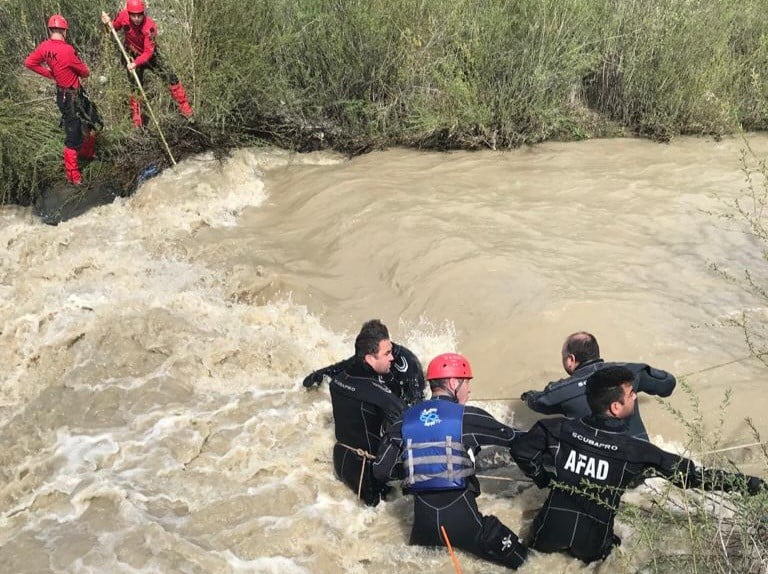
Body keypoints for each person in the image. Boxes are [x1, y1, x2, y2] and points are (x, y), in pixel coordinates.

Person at [511, 365, 766, 564]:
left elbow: (520, 451)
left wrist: (544, 478)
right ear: (615, 406)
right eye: (631, 394)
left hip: (544, 536)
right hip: (592, 546)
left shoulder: (554, 428)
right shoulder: (636, 450)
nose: (635, 396)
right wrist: (752, 484)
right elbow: (693, 477)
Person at [373, 353, 528, 569]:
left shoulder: (404, 419)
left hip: (423, 527)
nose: (469, 389)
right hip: (465, 524)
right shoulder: (467, 416)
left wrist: (415, 468)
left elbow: (381, 470)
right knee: (527, 563)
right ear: (454, 383)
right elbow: (516, 439)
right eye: (467, 383)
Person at [520, 331, 676, 440]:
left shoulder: (561, 391)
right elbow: (667, 384)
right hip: (642, 460)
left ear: (570, 359)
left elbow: (537, 402)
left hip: (601, 470)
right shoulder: (630, 371)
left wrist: (527, 396)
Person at [328, 319, 407, 507]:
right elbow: (410, 421)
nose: (392, 358)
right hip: (366, 475)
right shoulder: (379, 394)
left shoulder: (339, 379)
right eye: (387, 353)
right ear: (370, 359)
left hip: (341, 461)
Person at [25, 14, 102, 185]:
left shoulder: (44, 47)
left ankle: (87, 153)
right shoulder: (67, 50)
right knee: (73, 136)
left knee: (92, 121)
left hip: (67, 94)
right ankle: (73, 175)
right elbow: (85, 73)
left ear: (50, 30)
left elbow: (29, 62)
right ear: (65, 31)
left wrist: (50, 74)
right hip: (70, 98)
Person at [101, 0, 193, 127]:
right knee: (135, 88)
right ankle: (137, 122)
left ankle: (186, 111)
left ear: (144, 13)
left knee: (171, 77)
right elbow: (113, 29)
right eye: (134, 15)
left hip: (149, 56)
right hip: (131, 55)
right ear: (129, 13)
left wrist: (136, 63)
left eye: (140, 15)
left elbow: (148, 53)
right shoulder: (123, 16)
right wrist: (107, 24)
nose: (137, 18)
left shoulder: (150, 27)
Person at [303, 341, 425, 405]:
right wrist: (319, 374)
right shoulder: (370, 356)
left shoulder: (408, 368)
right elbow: (342, 367)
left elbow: (418, 405)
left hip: (410, 394)